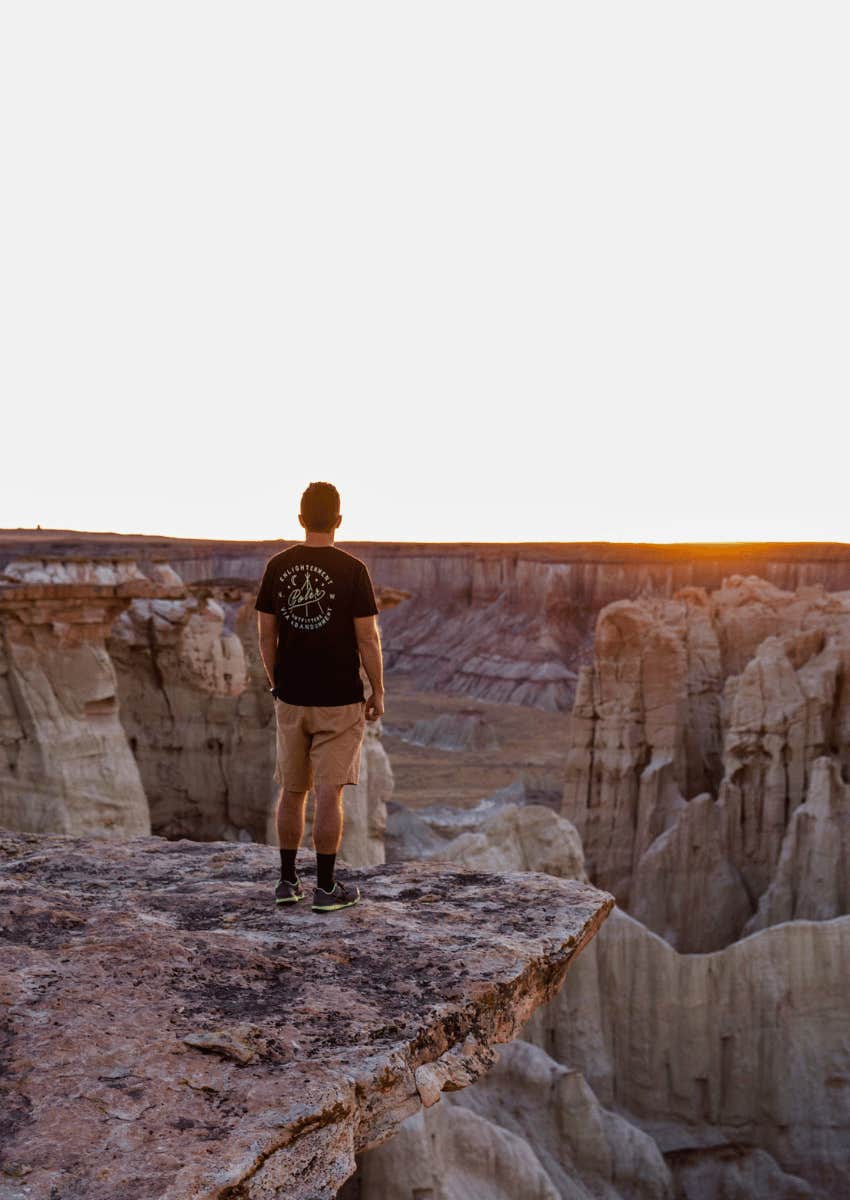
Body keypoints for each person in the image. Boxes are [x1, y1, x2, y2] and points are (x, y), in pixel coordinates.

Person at [254, 481, 385, 912]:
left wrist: (277, 681)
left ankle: (287, 882)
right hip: (339, 700)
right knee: (330, 793)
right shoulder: (353, 570)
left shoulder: (278, 566)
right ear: (339, 521)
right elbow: (367, 639)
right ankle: (326, 889)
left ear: (300, 519)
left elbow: (265, 632)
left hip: (291, 698)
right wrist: (377, 689)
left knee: (292, 791)